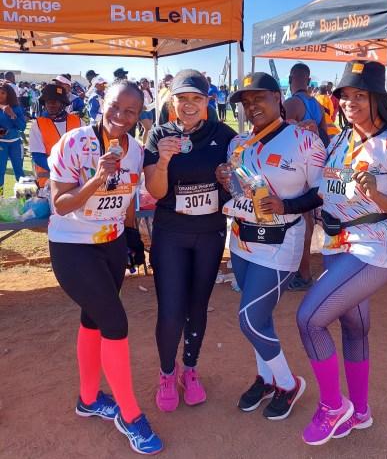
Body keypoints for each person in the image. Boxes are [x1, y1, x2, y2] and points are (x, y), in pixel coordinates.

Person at [296, 60, 387, 446]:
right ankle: (360, 411)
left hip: (373, 247)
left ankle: (333, 407)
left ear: (377, 98)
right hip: (336, 243)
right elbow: (325, 188)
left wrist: (376, 194)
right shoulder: (339, 140)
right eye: (345, 95)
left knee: (310, 320)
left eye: (360, 95)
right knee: (354, 328)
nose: (350, 102)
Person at [47, 80, 162, 455]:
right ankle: (130, 416)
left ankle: (88, 399)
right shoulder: (74, 142)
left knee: (93, 319)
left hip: (112, 244)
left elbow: (127, 195)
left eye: (131, 111)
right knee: (115, 323)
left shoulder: (136, 150)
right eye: (115, 106)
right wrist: (96, 178)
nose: (121, 116)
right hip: (73, 246)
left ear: (139, 114)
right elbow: (60, 203)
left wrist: (131, 236)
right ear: (101, 102)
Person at [215, 72, 326, 420]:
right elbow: (239, 192)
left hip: (280, 242)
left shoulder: (305, 141)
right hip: (241, 240)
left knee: (249, 320)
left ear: (278, 98)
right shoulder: (238, 144)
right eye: (246, 103)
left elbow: (320, 193)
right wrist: (225, 181)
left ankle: (288, 384)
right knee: (260, 318)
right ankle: (265, 380)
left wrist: (286, 205)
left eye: (259, 98)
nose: (252, 107)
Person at [143, 69, 236, 413]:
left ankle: (190, 370)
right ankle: (167, 373)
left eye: (197, 98)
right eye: (183, 98)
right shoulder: (159, 135)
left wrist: (227, 179)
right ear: (172, 101)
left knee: (197, 307)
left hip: (210, 233)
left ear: (208, 101)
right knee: (171, 311)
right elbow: (156, 192)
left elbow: (238, 182)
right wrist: (164, 160)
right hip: (172, 233)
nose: (190, 105)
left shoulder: (224, 134)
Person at [283, 63, 328, 291]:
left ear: (291, 79)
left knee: (299, 221)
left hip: (294, 167)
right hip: (312, 168)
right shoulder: (317, 105)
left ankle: (303, 273)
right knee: (306, 219)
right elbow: (325, 139)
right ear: (308, 80)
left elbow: (275, 135)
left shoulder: (291, 103)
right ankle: (303, 271)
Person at [30, 84, 85, 188]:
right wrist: (62, 171)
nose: (50, 105)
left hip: (76, 182)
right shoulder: (37, 125)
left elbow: (85, 151)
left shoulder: (78, 122)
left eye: (54, 101)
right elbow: (38, 156)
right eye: (47, 102)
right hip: (48, 183)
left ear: (63, 103)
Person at [0, 82, 26, 196]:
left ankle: (23, 200)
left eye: (3, 93)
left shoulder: (16, 108)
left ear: (9, 94)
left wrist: (12, 114)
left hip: (16, 143)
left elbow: (22, 127)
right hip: (1, 144)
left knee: (19, 172)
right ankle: (0, 199)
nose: (0, 95)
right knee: (0, 172)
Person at [139, 77, 154, 144]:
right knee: (147, 128)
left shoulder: (149, 91)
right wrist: (140, 106)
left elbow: (150, 101)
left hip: (149, 110)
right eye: (144, 83)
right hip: (142, 111)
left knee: (149, 129)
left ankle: (147, 144)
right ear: (141, 84)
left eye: (146, 83)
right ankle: (144, 145)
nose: (145, 84)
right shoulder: (139, 91)